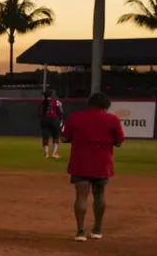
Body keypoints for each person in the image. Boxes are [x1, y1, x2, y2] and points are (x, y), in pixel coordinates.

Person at [61, 92, 125, 241]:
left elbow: (64, 138)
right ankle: (97, 229)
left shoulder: (75, 117)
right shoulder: (112, 119)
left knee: (81, 196)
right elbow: (119, 141)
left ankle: (80, 231)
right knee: (100, 194)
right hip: (102, 163)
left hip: (81, 162)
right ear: (106, 105)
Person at [39, 90, 64, 159]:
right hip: (54, 120)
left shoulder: (42, 102)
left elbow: (39, 113)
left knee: (45, 137)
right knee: (56, 136)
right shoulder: (56, 101)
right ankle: (54, 153)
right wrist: (61, 120)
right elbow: (60, 111)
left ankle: (46, 154)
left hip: (44, 120)